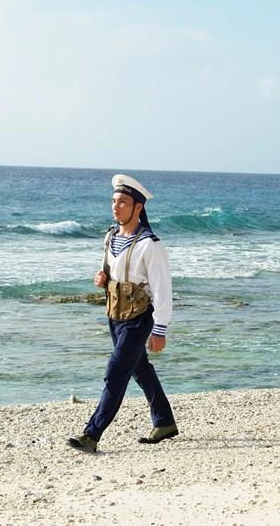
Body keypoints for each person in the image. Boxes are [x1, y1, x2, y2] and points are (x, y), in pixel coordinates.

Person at [67, 174, 178, 452]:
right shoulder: (111, 237)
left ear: (138, 207)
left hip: (139, 318)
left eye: (123, 202)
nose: (115, 207)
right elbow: (111, 270)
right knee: (140, 369)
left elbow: (163, 289)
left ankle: (91, 435)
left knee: (115, 373)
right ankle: (165, 422)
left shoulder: (150, 245)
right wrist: (101, 278)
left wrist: (160, 328)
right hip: (114, 315)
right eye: (113, 201)